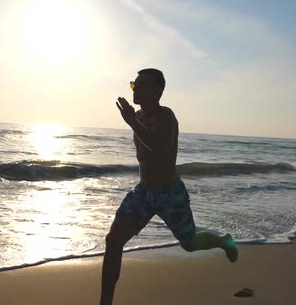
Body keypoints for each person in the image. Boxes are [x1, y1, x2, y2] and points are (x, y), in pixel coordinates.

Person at [100, 68, 238, 305]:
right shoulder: (140, 117)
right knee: (113, 241)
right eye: (134, 84)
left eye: (141, 84)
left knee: (190, 244)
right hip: (143, 192)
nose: (135, 89)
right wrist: (134, 120)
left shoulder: (166, 117)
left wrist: (131, 121)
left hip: (170, 193)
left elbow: (159, 149)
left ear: (157, 90)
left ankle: (223, 241)